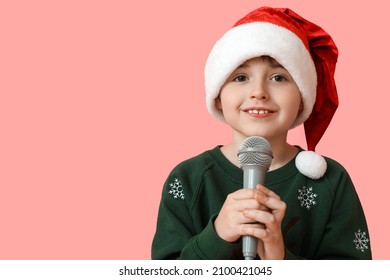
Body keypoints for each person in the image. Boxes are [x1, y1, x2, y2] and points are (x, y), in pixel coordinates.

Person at [151, 6, 372, 260]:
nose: (258, 92)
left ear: (302, 98)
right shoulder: (188, 179)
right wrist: (217, 235)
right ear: (218, 96)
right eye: (241, 77)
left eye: (278, 77)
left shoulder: (331, 181)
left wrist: (280, 260)